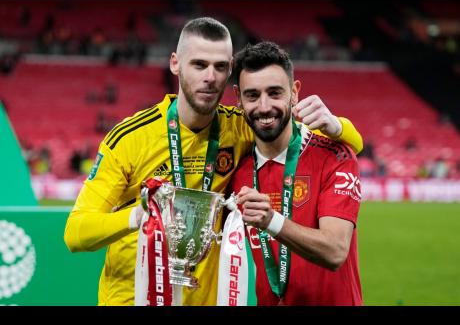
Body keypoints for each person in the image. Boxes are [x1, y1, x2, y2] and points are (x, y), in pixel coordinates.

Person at [64, 17, 363, 306]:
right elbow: (76, 232)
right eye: (199, 65)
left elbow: (345, 145)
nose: (210, 77)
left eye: (220, 66)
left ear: (230, 70)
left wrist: (338, 126)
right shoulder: (130, 138)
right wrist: (140, 216)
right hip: (135, 299)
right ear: (175, 64)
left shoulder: (241, 126)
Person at [231, 41, 362, 305]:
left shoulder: (334, 156)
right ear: (238, 98)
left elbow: (336, 251)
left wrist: (271, 221)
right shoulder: (236, 168)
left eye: (275, 93)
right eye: (253, 95)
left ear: (294, 92)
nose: (264, 106)